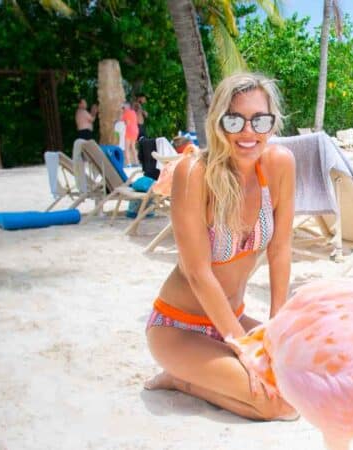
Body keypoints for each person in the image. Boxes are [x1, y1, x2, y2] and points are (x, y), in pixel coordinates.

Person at [144, 72, 297, 421]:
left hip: (234, 317)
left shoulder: (280, 165)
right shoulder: (193, 173)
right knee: (277, 405)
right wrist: (242, 345)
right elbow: (198, 273)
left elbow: (280, 249)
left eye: (259, 120)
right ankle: (182, 380)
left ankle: (203, 370)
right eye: (235, 120)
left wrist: (278, 327)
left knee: (302, 383)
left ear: (272, 123)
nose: (248, 132)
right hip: (178, 327)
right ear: (218, 123)